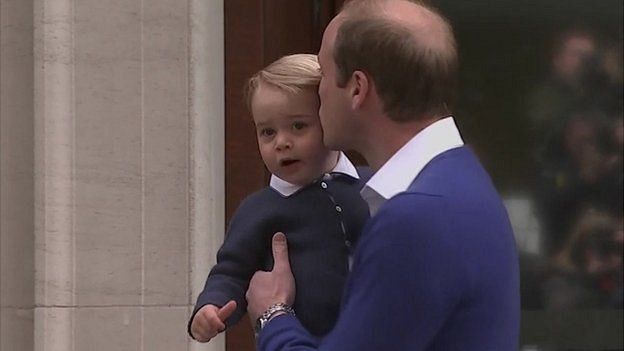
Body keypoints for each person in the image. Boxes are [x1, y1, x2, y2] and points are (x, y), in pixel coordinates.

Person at [245, 1, 520, 350]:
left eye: (324, 76)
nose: (318, 92)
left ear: (358, 88)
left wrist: (272, 315)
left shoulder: (414, 219)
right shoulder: (461, 177)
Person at [188, 54, 371, 342]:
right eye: (268, 132)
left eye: (298, 126)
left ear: (329, 118)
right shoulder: (259, 210)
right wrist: (210, 307)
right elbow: (232, 272)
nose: (282, 143)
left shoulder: (373, 185)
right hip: (301, 341)